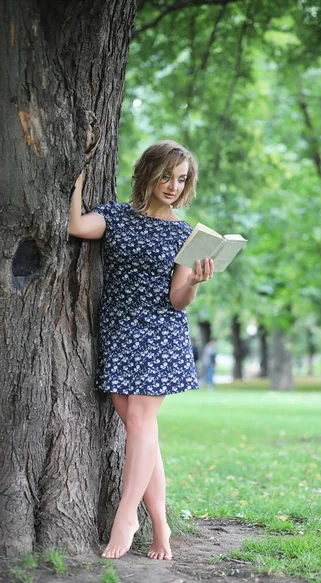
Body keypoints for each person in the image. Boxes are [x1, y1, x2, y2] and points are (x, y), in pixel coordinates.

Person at [69, 140, 214, 561]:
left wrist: (194, 283)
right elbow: (77, 227)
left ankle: (127, 516)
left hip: (160, 332)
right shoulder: (115, 215)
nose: (173, 185)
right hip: (118, 330)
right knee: (140, 431)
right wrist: (77, 178)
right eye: (167, 175)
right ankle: (162, 525)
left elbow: (178, 301)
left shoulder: (186, 236)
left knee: (140, 421)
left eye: (182, 179)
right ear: (149, 173)